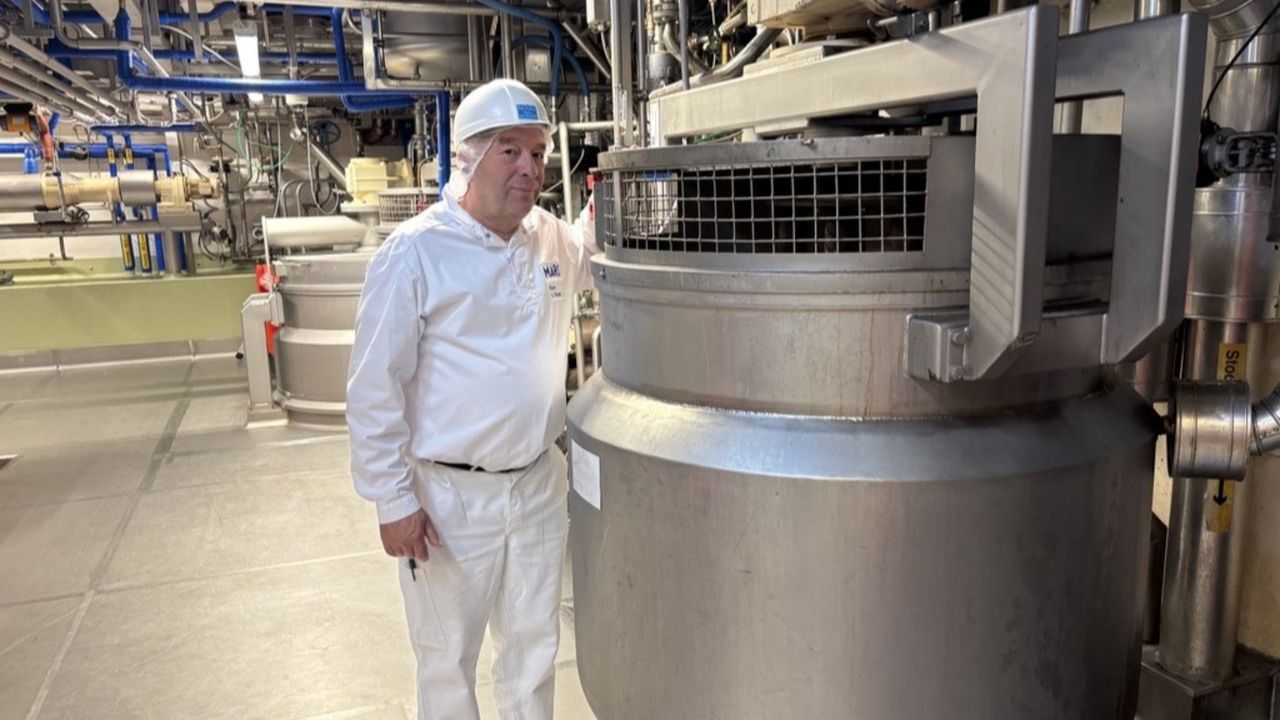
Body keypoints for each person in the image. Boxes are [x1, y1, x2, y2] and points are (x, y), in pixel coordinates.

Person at [346, 78, 597, 720]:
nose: (530, 168)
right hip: (449, 500)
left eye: (538, 152)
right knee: (447, 660)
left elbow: (595, 250)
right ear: (468, 156)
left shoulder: (549, 240)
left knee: (534, 652)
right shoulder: (415, 254)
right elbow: (375, 388)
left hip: (538, 486)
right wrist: (391, 499)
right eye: (510, 151)